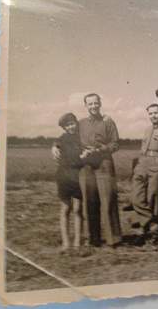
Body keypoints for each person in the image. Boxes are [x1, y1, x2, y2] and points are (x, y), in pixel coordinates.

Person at [52, 93, 122, 247]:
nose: (93, 106)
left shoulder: (108, 122)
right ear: (86, 106)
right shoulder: (81, 123)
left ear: (100, 103)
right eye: (90, 104)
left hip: (104, 163)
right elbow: (66, 135)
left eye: (96, 103)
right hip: (86, 166)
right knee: (90, 201)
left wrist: (99, 149)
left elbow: (115, 144)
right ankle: (93, 239)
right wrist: (55, 145)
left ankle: (113, 239)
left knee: (108, 199)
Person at [131, 103, 158, 238]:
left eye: (156, 113)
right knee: (136, 197)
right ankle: (151, 221)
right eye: (151, 113)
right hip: (143, 163)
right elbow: (143, 148)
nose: (153, 116)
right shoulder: (147, 129)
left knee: (153, 195)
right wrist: (140, 163)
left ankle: (146, 226)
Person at [55, 113, 83, 251]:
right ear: (64, 127)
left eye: (73, 123)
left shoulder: (82, 137)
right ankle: (66, 242)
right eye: (68, 125)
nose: (71, 126)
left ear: (76, 123)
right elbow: (56, 146)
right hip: (64, 176)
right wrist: (54, 146)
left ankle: (78, 242)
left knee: (78, 209)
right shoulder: (61, 139)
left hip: (78, 176)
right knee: (65, 208)